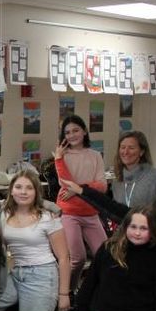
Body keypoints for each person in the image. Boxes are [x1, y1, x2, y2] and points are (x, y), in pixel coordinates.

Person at [0, 170, 71, 311]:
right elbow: (1, 247)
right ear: (11, 190)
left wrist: (64, 294)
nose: (23, 192)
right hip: (14, 273)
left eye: (29, 188)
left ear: (36, 192)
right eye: (18, 187)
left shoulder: (47, 218)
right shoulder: (5, 214)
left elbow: (64, 257)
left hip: (41, 275)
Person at [53, 115, 107, 284]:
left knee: (105, 255)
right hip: (69, 212)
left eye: (76, 130)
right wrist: (58, 159)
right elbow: (65, 182)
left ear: (84, 131)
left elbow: (103, 186)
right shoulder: (62, 156)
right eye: (67, 132)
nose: (72, 135)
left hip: (91, 211)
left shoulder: (95, 155)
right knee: (78, 258)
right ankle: (68, 290)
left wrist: (78, 189)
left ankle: (96, 290)